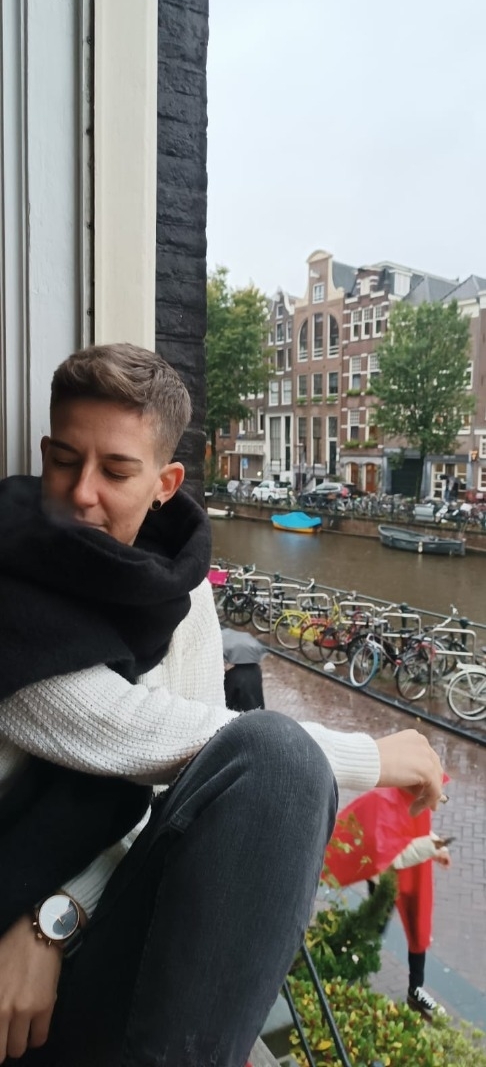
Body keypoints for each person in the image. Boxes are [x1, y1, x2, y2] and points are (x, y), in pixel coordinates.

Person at [0, 343, 446, 1067]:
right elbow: (133, 733)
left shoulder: (181, 593)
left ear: (166, 483)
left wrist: (57, 914)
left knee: (273, 767)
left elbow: (185, 797)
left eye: (116, 471)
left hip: (87, 933)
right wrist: (372, 756)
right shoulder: (9, 578)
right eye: (64, 461)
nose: (81, 493)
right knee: (278, 756)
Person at [324, 787, 451, 1021]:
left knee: (419, 927)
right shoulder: (385, 801)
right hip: (386, 878)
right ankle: (346, 972)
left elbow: (414, 829)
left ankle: (416, 988)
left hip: (413, 873)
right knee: (375, 926)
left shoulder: (414, 799)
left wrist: (437, 846)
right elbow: (392, 854)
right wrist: (432, 847)